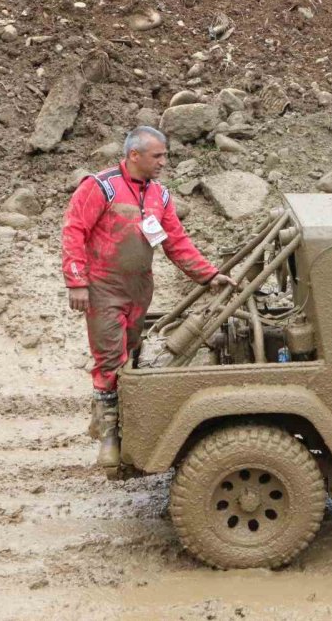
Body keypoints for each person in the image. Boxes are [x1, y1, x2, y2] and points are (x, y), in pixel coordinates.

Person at [61, 126, 235, 468]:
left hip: (139, 290)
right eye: (158, 156)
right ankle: (109, 438)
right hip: (103, 289)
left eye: (165, 155)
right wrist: (77, 281)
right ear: (134, 155)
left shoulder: (160, 196)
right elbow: (74, 230)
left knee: (131, 354)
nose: (164, 162)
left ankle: (121, 425)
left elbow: (176, 242)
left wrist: (209, 274)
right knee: (110, 359)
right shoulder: (101, 187)